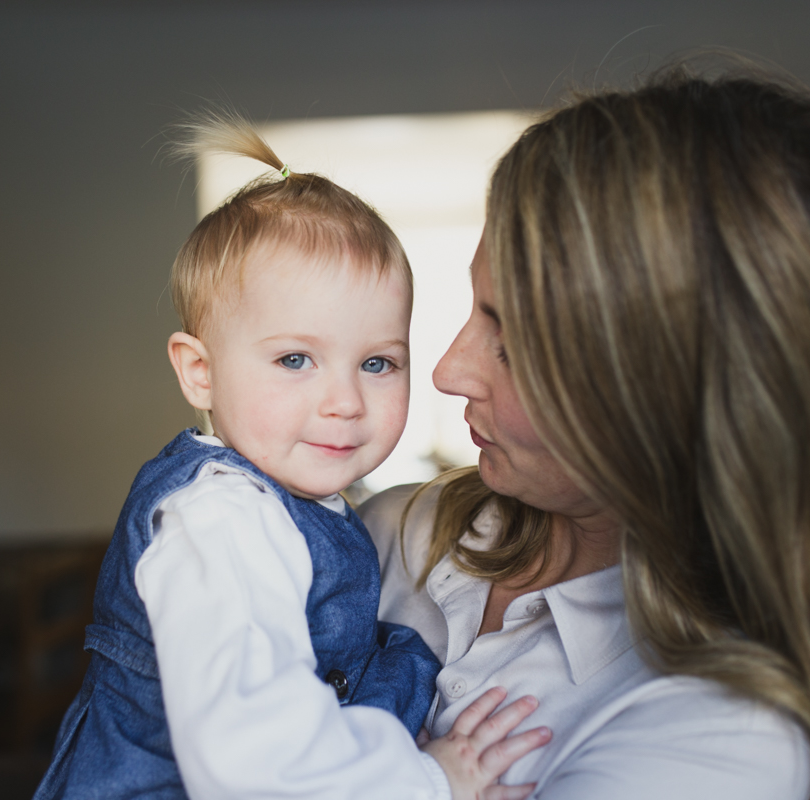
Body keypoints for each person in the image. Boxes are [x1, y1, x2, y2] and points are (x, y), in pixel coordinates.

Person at [362, 65, 810, 800]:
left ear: (668, 404)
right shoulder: (400, 530)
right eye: (475, 308)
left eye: (512, 346)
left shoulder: (722, 743)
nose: (448, 371)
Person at [34, 115, 551, 800]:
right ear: (200, 372)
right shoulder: (222, 520)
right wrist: (430, 781)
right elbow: (253, 756)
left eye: (376, 362)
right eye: (295, 359)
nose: (344, 401)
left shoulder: (302, 511)